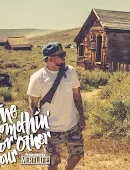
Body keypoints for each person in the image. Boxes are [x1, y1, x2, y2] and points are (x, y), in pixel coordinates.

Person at [27, 42, 86, 170]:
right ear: (50, 59)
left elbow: (77, 95)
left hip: (71, 125)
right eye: (61, 55)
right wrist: (38, 126)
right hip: (50, 129)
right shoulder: (37, 78)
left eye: (64, 53)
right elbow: (33, 105)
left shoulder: (70, 72)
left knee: (77, 154)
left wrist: (81, 116)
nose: (64, 56)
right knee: (53, 163)